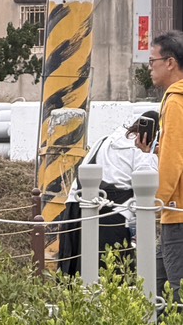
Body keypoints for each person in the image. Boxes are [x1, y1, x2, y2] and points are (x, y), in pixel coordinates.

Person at [55, 111, 159, 276]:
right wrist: (150, 155)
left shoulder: (105, 140)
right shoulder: (141, 151)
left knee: (74, 267)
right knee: (111, 271)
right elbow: (146, 185)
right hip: (111, 216)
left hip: (75, 207)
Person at [149, 31, 183, 299]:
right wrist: (156, 148)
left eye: (152, 61)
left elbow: (173, 161)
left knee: (174, 297)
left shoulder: (175, 101)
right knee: (158, 292)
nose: (150, 68)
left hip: (177, 214)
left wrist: (154, 202)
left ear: (170, 62)